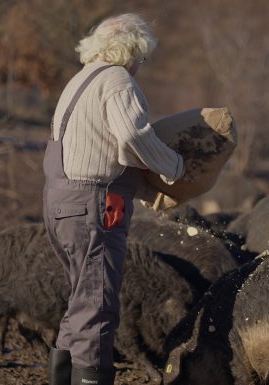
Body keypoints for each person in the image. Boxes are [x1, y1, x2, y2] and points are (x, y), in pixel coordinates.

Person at [42, 13, 185, 385]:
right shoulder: (118, 81)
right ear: (132, 52)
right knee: (97, 307)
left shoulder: (79, 81)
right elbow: (133, 138)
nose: (140, 66)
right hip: (93, 206)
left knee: (80, 303)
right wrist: (174, 167)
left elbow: (94, 148)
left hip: (59, 203)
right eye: (142, 57)